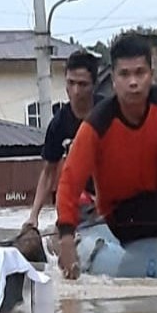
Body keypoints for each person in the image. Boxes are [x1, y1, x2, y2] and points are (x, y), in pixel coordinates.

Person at [56, 34, 157, 279]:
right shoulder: (98, 123)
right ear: (113, 80)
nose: (133, 82)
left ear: (152, 75)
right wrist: (66, 238)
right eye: (125, 75)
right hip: (122, 212)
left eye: (140, 73)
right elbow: (69, 182)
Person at [23, 50, 101, 231]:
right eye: (71, 83)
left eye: (82, 84)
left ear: (93, 85)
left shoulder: (108, 113)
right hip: (79, 199)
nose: (75, 91)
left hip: (111, 196)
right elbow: (48, 172)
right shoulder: (59, 124)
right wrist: (34, 216)